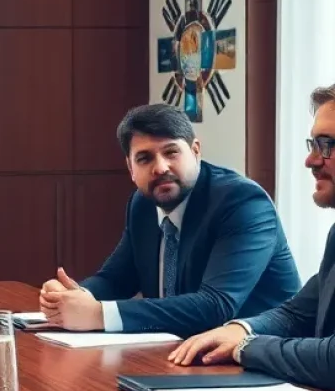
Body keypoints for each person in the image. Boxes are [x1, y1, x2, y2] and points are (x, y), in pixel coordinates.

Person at [40, 103, 300, 337]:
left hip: (261, 357)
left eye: (171, 152)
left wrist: (98, 314)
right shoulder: (142, 203)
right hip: (181, 353)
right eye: (145, 158)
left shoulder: (242, 202)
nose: (160, 167)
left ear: (195, 151)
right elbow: (116, 279)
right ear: (131, 169)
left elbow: (216, 305)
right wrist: (73, 298)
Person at [170, 84, 335, 391]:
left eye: (326, 145)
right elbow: (298, 313)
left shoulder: (241, 200)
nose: (310, 161)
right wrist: (237, 329)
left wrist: (245, 347)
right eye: (312, 144)